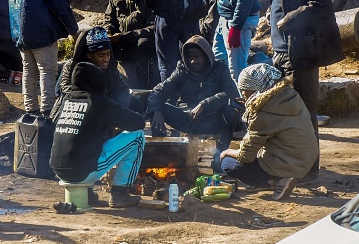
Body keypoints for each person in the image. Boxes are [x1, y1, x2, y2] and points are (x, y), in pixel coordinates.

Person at [261, 0, 343, 182]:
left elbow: (320, 6)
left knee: (305, 113)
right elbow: (277, 2)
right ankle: (292, 165)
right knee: (286, 112)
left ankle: (310, 170)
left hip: (302, 55)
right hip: (281, 53)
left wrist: (289, 19)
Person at [50, 61, 145, 208]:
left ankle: (88, 194)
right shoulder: (98, 101)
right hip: (81, 172)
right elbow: (138, 123)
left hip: (58, 169)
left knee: (86, 142)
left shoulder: (66, 100)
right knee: (138, 137)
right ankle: (120, 193)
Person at [7, 0, 79, 117]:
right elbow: (58, 2)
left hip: (20, 33)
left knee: (28, 70)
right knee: (47, 71)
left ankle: (30, 112)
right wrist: (73, 30)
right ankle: (47, 113)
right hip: (41, 31)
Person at [220, 63, 318, 200]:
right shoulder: (287, 94)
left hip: (290, 162)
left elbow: (245, 155)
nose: (242, 93)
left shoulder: (263, 110)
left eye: (244, 90)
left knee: (228, 164)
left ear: (256, 89)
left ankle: (278, 180)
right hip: (305, 157)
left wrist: (227, 152)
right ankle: (275, 179)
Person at [147, 35, 241, 173]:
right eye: (190, 57)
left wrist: (205, 104)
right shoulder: (181, 70)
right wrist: (156, 111)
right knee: (157, 109)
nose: (193, 61)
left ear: (206, 56)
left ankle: (218, 160)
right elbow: (157, 92)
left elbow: (232, 93)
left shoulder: (219, 68)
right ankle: (164, 160)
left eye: (197, 57)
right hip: (188, 119)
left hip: (215, 120)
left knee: (232, 110)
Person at [54, 27, 142, 120]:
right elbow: (67, 91)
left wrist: (117, 112)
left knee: (135, 103)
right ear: (89, 55)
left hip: (104, 106)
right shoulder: (72, 66)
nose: (106, 59)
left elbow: (121, 89)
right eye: (101, 55)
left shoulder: (110, 67)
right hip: (78, 109)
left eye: (108, 54)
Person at [104, 0, 156, 89]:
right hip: (120, 40)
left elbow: (154, 27)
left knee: (143, 45)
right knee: (102, 45)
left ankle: (143, 89)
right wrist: (108, 32)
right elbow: (108, 19)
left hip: (141, 40)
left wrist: (126, 36)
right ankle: (108, 86)